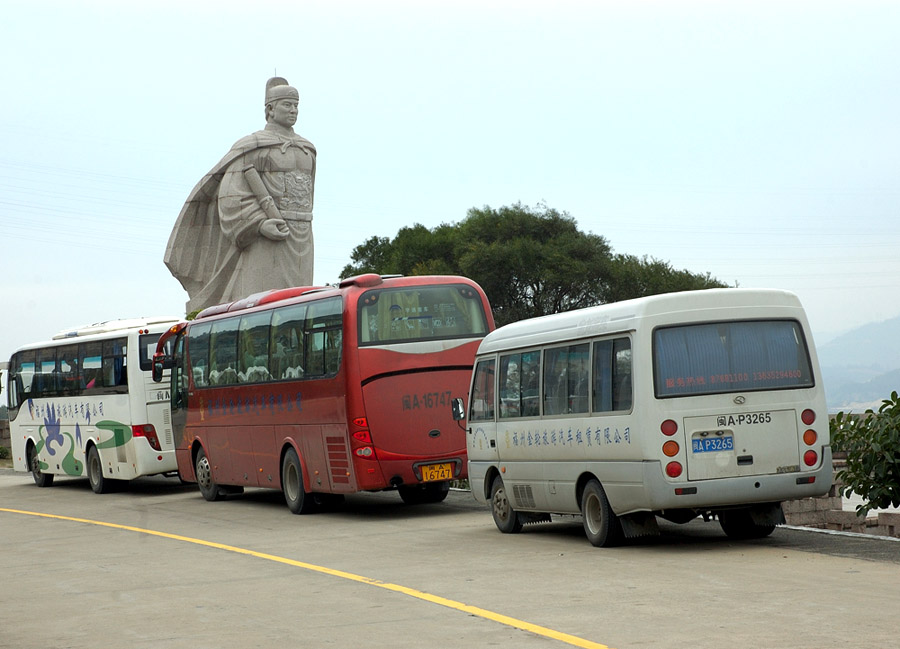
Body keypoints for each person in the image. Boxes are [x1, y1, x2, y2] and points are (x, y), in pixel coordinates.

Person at [165, 77, 317, 313]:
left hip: (302, 235)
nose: (293, 110)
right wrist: (259, 224)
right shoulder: (253, 145)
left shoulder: (307, 148)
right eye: (287, 104)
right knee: (262, 306)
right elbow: (231, 195)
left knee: (301, 307)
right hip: (267, 237)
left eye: (296, 105)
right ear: (270, 109)